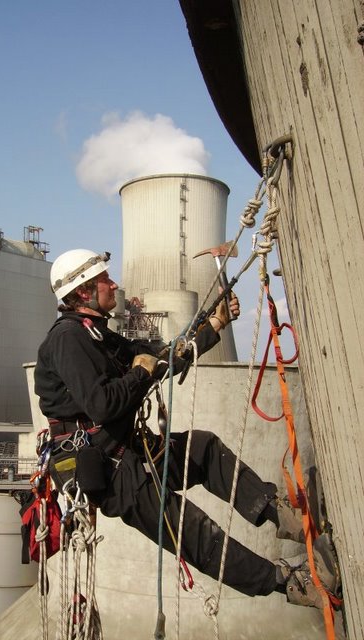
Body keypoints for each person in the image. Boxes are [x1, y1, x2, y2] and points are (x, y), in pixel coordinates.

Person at [34, 249, 340, 609]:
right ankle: (292, 584)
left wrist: (213, 326)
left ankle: (284, 516)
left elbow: (159, 358)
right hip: (110, 471)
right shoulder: (68, 338)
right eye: (105, 280)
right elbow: (102, 403)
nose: (114, 284)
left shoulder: (97, 335)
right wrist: (140, 372)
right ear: (84, 292)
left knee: (204, 450)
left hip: (124, 451)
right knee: (192, 530)